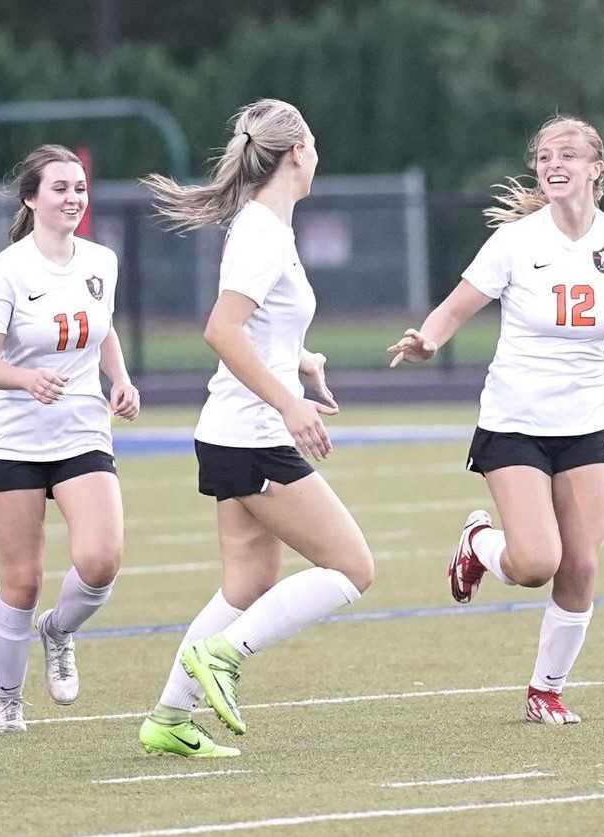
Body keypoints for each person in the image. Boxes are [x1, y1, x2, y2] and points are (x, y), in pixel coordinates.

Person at [388, 115, 604, 725]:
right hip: (515, 420)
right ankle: (479, 543)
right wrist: (428, 343)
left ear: (596, 168)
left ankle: (545, 689)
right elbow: (456, 306)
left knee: (581, 565)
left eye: (568, 154)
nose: (554, 163)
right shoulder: (516, 242)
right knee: (535, 563)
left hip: (586, 421)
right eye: (545, 155)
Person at [135, 99, 374, 757]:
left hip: (232, 433)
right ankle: (226, 656)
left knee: (246, 586)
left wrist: (302, 360)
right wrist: (290, 403)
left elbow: (259, 328)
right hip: (252, 435)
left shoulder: (266, 226)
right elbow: (221, 329)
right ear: (298, 151)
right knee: (352, 565)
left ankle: (169, 718)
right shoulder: (264, 231)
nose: (317, 154)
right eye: (315, 142)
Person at [0, 144, 140, 733]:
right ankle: (7, 697)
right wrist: (26, 378)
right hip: (12, 442)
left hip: (81, 432)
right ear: (32, 198)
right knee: (22, 581)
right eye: (60, 188)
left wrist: (121, 379)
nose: (72, 198)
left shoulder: (101, 260)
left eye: (80, 188)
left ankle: (59, 631)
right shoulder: (10, 270)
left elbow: (103, 326)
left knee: (100, 560)